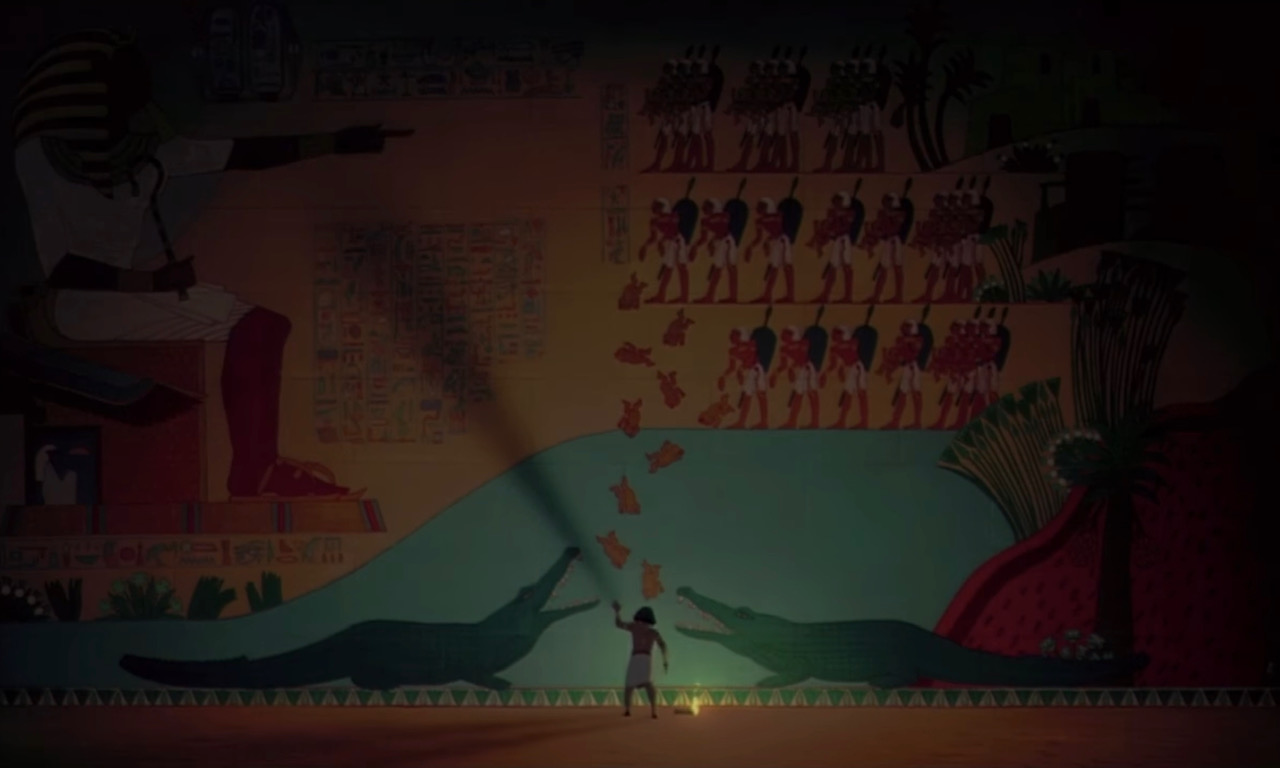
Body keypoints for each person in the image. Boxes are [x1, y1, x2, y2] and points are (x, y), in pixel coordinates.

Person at [12, 29, 409, 500]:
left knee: (262, 325)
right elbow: (62, 268)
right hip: (75, 306)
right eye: (126, 93)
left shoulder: (145, 152)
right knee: (256, 325)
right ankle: (255, 473)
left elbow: (244, 153)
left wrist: (336, 142)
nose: (141, 107)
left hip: (127, 297)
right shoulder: (40, 158)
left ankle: (257, 469)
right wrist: (152, 281)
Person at [612, 599, 668, 718]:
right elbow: (663, 645)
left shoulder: (637, 627)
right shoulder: (652, 632)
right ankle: (651, 710)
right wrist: (665, 660)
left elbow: (619, 624)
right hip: (644, 658)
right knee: (645, 685)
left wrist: (617, 612)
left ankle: (632, 710)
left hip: (639, 657)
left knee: (633, 685)